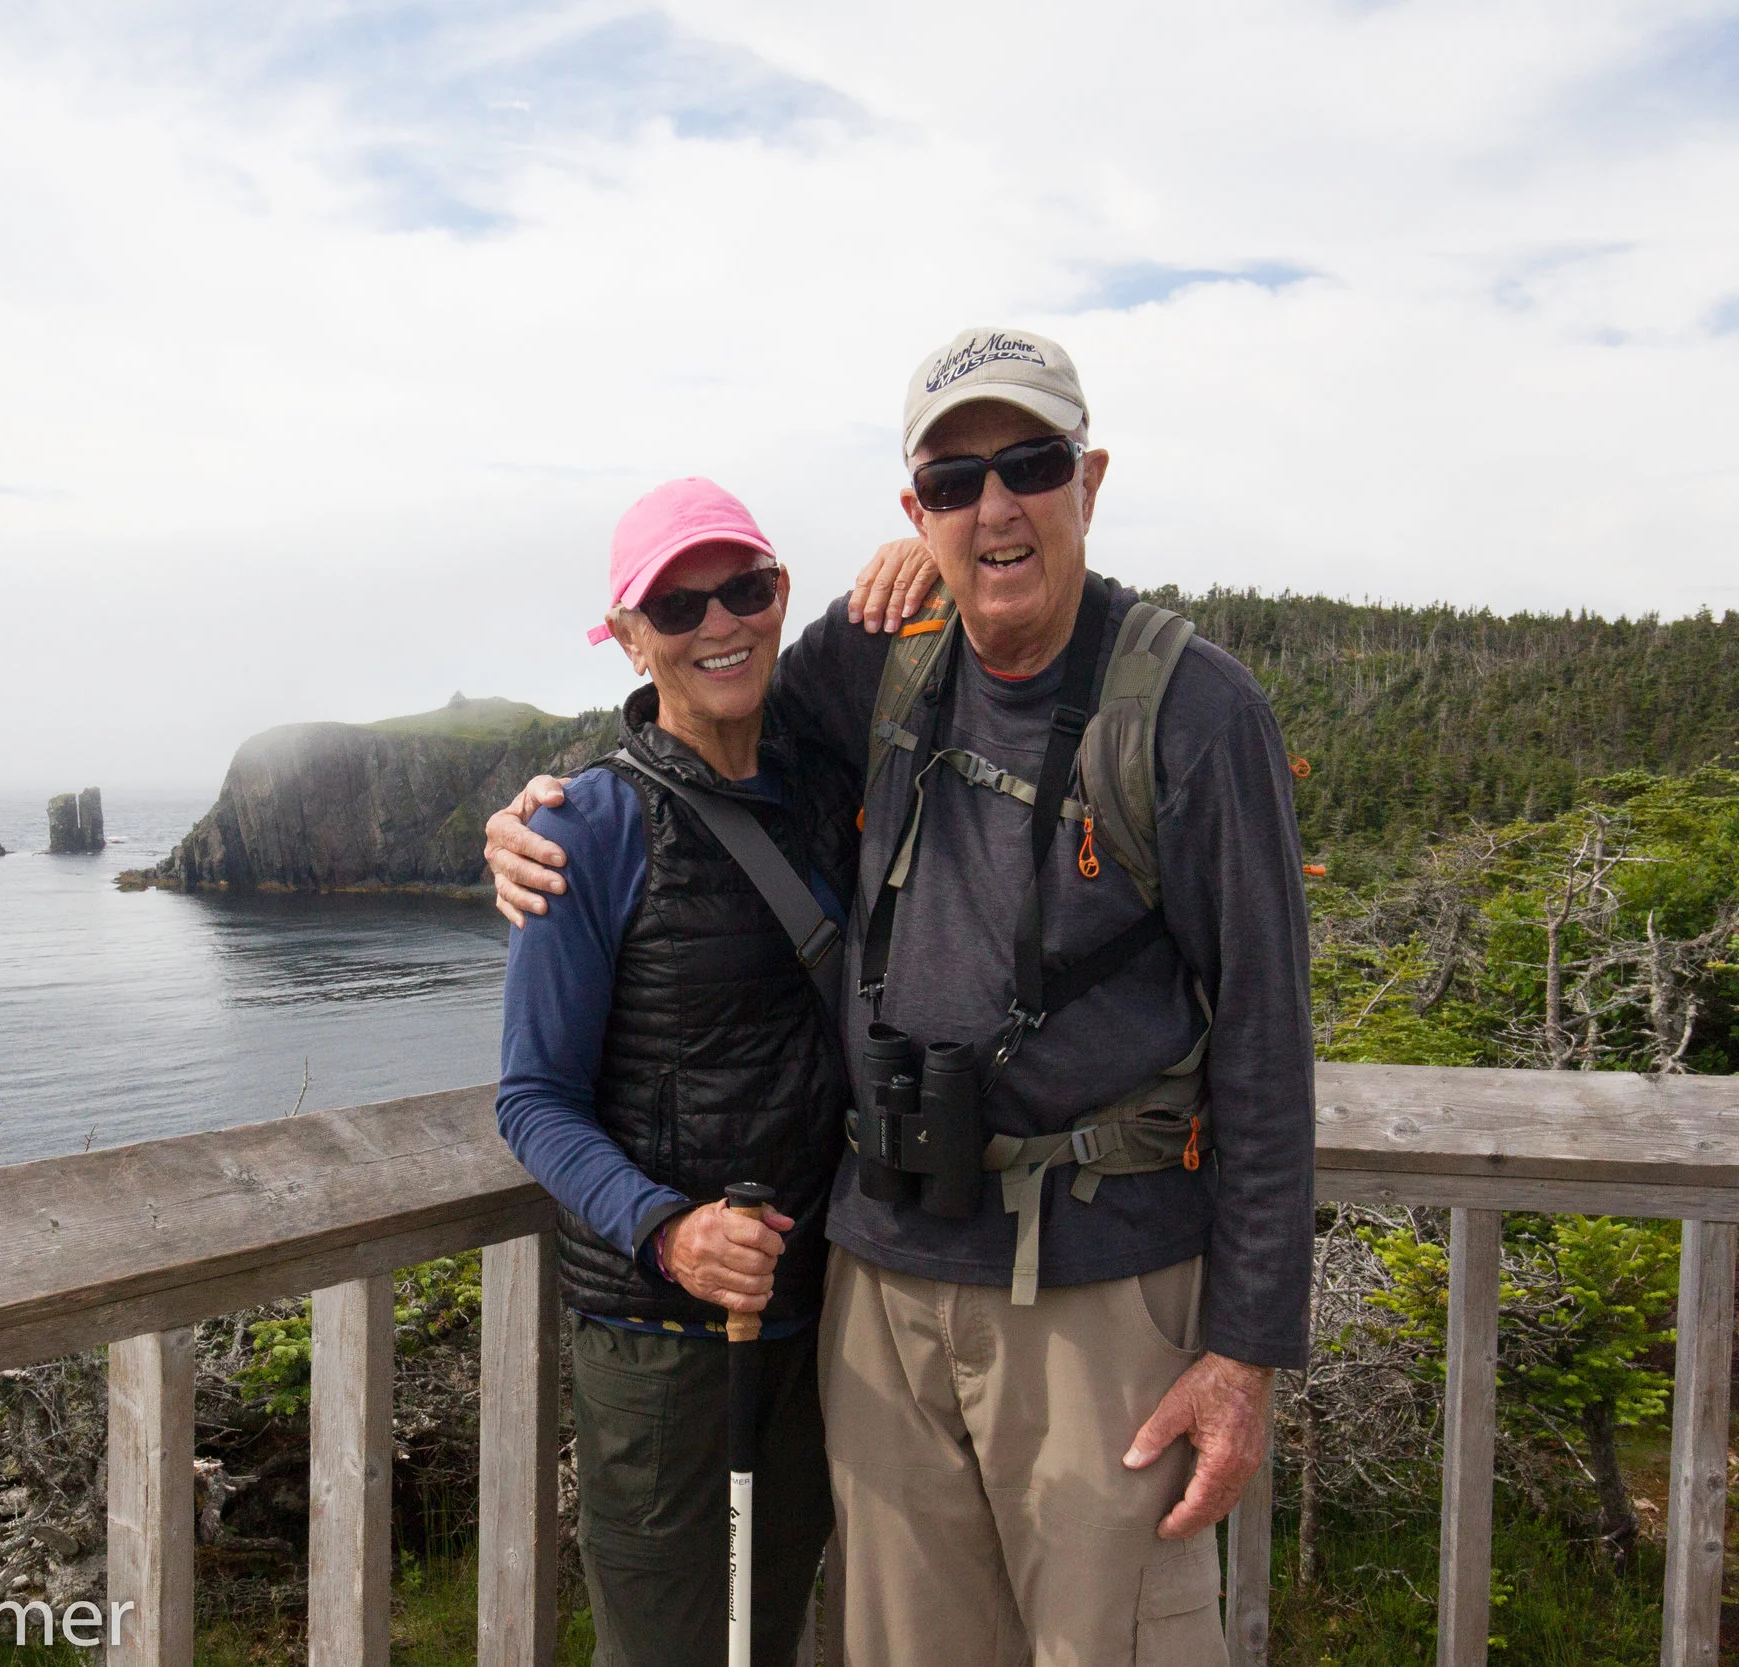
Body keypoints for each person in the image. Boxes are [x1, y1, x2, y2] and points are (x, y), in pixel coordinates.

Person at [487, 328, 1316, 1665]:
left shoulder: (1194, 711)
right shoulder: (879, 665)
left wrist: (1247, 1346)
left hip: (1093, 1279)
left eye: (1029, 464)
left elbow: (1271, 1045)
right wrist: (546, 816)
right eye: (953, 480)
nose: (995, 506)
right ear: (913, 508)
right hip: (877, 1277)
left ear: (1089, 479)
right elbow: (684, 731)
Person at [496, 476, 883, 1666]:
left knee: (764, 1636)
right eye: (677, 604)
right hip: (662, 1342)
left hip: (815, 1314)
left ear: (779, 595)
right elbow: (532, 1098)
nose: (720, 623)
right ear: (628, 635)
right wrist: (667, 1230)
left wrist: (910, 558)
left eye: (745, 587)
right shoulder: (582, 829)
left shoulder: (825, 784)